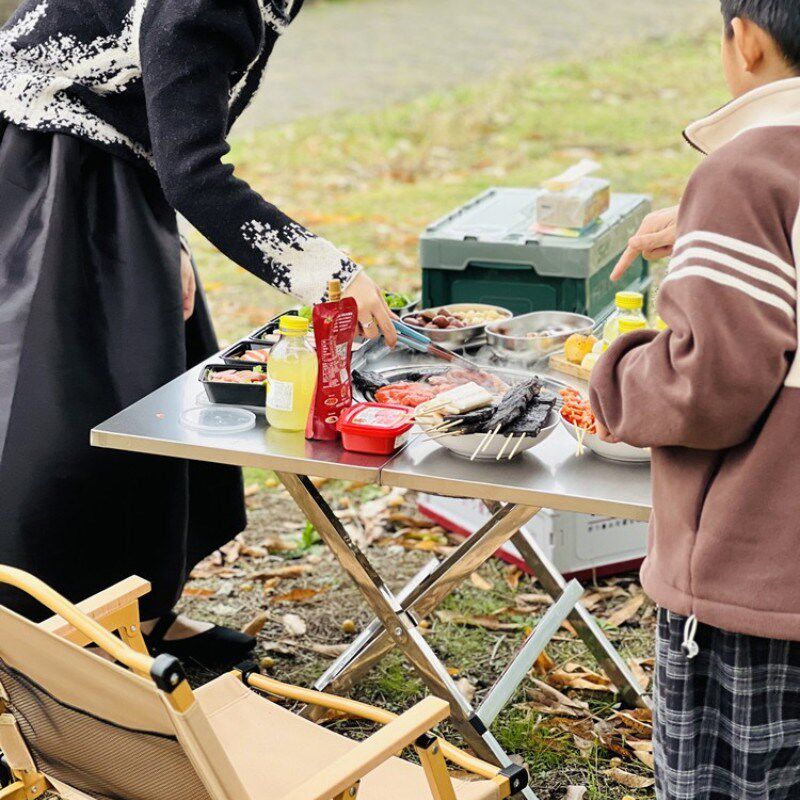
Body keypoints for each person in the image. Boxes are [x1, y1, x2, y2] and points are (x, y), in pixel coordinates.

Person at [0, 0, 397, 666]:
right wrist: (329, 273)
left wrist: (169, 236)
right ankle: (50, 636)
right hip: (46, 158)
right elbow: (194, 170)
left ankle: (144, 614)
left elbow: (162, 117)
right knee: (72, 403)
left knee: (159, 382)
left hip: (111, 158)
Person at [589, 2, 800, 797]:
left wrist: (613, 375)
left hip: (760, 585)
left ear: (745, 39)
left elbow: (705, 387)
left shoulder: (747, 174)